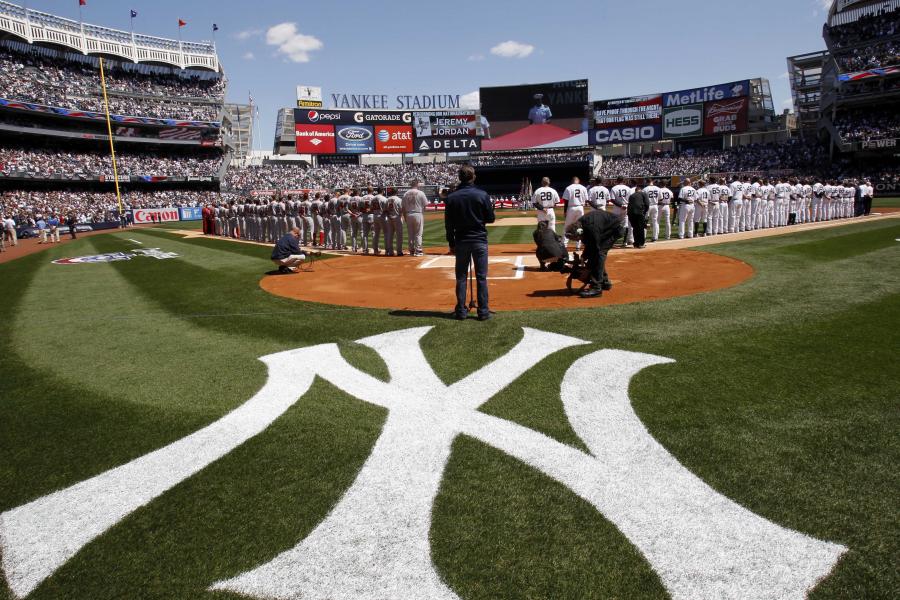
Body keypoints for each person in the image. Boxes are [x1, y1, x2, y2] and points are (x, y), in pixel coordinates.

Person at [445, 165, 495, 321]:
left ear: (460, 178)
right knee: (481, 277)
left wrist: (451, 243)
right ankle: (483, 311)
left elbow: (448, 224)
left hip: (461, 240)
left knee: (461, 277)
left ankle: (461, 311)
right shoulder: (482, 195)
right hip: (479, 239)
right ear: (473, 177)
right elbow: (490, 218)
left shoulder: (451, 197)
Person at [566, 208, 624, 298]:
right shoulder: (581, 225)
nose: (578, 240)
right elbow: (589, 243)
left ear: (579, 232)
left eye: (577, 238)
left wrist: (588, 266)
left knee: (599, 254)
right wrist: (584, 256)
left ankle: (596, 288)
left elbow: (594, 248)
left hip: (614, 230)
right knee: (595, 255)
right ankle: (605, 282)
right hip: (604, 229)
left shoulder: (592, 227)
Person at [562, 176, 589, 250]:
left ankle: (564, 245)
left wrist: (565, 211)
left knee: (567, 226)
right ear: (578, 181)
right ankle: (578, 246)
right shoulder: (583, 188)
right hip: (580, 208)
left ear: (572, 181)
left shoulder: (569, 187)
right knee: (579, 227)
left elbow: (566, 201)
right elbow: (586, 200)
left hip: (571, 208)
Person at [402, 180, 428, 256]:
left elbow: (403, 207)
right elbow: (425, 205)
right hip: (418, 213)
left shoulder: (406, 193)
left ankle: (411, 250)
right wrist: (422, 213)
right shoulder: (421, 193)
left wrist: (405, 217)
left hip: (408, 214)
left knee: (410, 234)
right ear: (417, 185)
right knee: (418, 234)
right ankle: (418, 250)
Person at [627, 184, 650, 248]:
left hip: (631, 213)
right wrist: (644, 212)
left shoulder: (631, 195)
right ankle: (641, 243)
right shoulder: (643, 194)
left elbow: (629, 205)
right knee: (641, 228)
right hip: (639, 212)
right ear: (640, 190)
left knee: (635, 228)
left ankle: (636, 243)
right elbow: (647, 204)